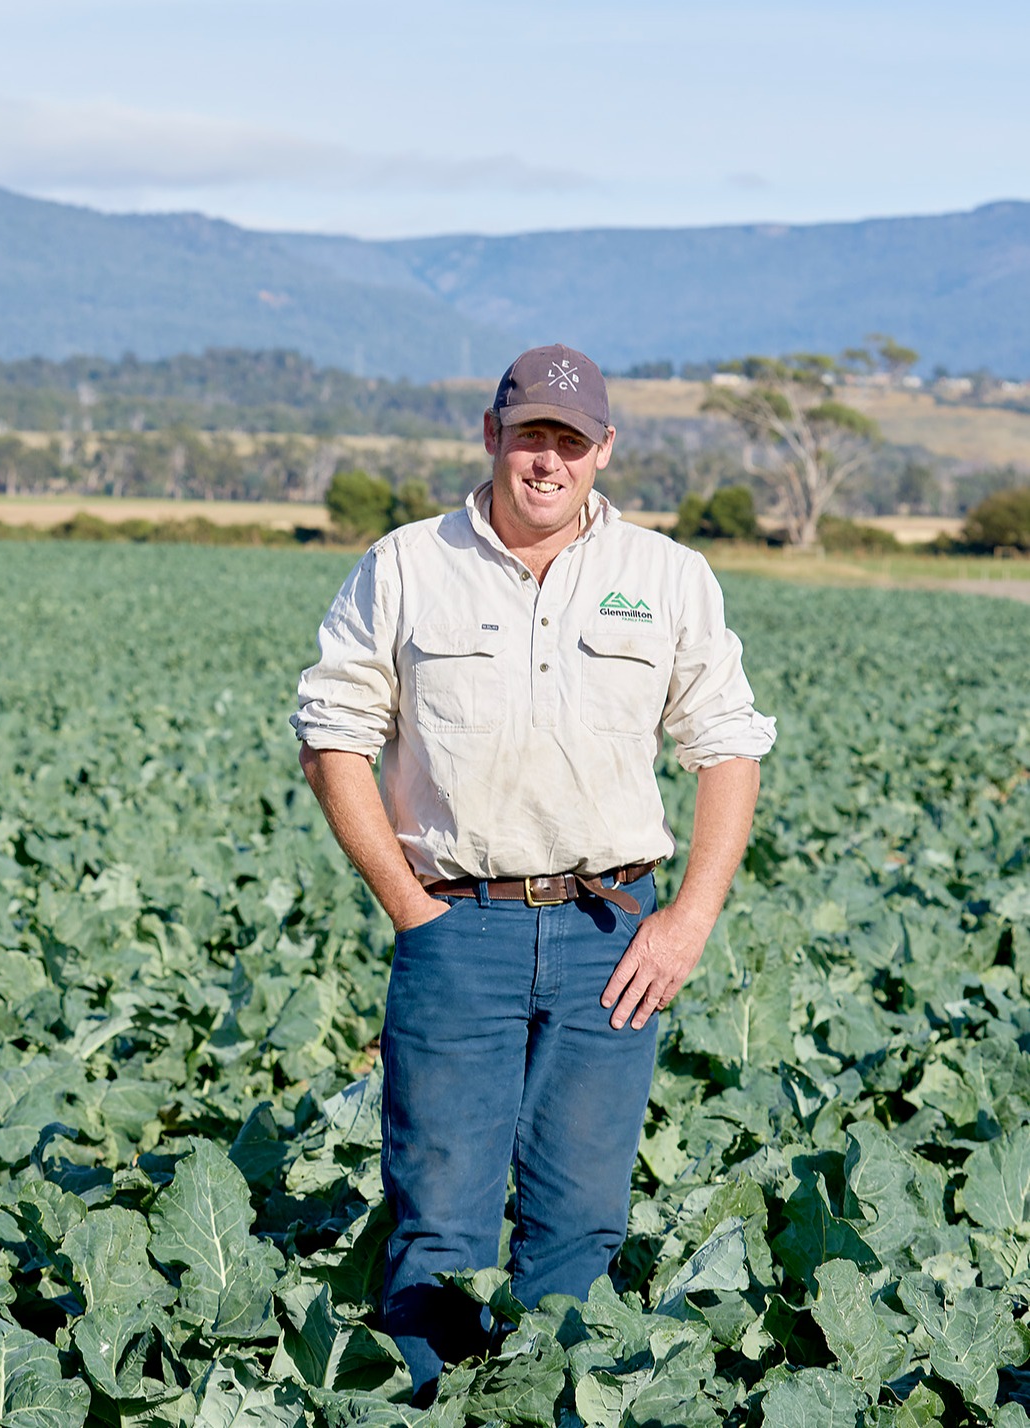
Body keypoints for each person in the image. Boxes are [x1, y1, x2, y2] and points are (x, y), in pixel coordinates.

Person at [291, 344, 776, 1402]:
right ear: (490, 439)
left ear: (603, 448)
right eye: (528, 438)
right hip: (459, 927)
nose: (546, 461)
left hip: (616, 936)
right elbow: (332, 736)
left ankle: (549, 1406)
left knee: (582, 1214)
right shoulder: (409, 565)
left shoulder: (666, 577)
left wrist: (689, 917)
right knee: (443, 1220)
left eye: (569, 440)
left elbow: (728, 748)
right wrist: (410, 910)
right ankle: (428, 1407)